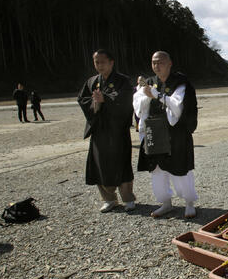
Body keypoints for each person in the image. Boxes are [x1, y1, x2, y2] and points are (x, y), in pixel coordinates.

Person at [134, 51, 198, 218]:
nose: (157, 66)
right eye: (154, 63)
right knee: (157, 169)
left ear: (170, 63)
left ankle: (189, 203)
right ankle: (165, 202)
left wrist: (158, 95)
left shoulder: (180, 82)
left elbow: (177, 107)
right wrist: (146, 95)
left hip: (175, 132)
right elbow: (138, 105)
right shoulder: (149, 82)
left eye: (161, 62)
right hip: (154, 131)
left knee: (180, 168)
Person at [78, 49, 136, 213]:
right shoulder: (91, 82)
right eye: (96, 62)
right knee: (100, 165)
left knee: (122, 164)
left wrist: (106, 100)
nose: (99, 65)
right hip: (99, 130)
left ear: (111, 62)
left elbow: (127, 101)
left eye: (102, 61)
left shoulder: (122, 81)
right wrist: (95, 103)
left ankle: (128, 198)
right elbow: (82, 99)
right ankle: (109, 199)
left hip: (117, 130)